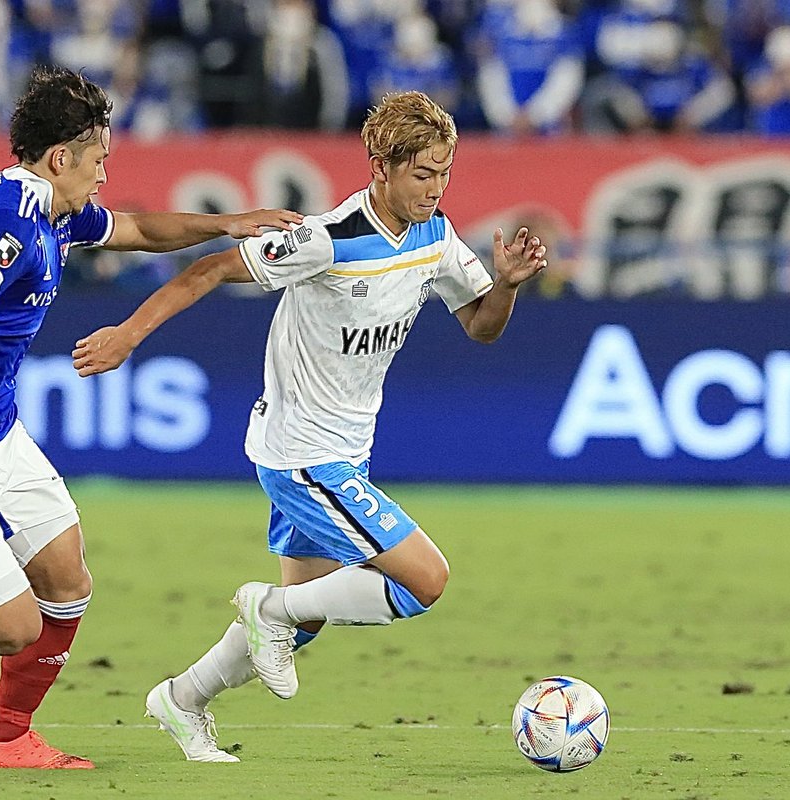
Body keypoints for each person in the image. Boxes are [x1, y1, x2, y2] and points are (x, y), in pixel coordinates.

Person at [70, 90, 548, 763]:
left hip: (346, 452)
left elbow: (480, 326)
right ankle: (266, 609)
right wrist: (127, 334)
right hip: (301, 454)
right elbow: (209, 270)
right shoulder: (327, 238)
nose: (436, 188)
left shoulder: (435, 237)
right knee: (424, 580)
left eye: (444, 173)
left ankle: (182, 699)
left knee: (308, 615)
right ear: (380, 167)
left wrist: (507, 286)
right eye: (422, 174)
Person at [0, 65, 301, 769]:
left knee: (68, 584)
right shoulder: (10, 215)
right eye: (99, 159)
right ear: (60, 157)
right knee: (10, 632)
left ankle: (6, 741)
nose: (105, 174)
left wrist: (227, 224)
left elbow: (137, 228)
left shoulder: (53, 210)